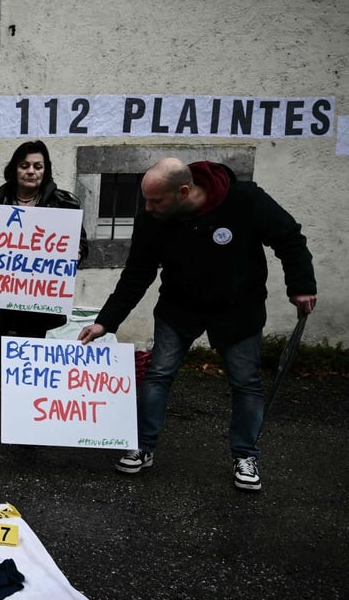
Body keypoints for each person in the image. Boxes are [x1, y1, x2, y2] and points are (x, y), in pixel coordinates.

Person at [77, 157, 317, 491]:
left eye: (155, 200)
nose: (147, 207)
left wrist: (302, 285)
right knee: (159, 374)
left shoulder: (245, 200)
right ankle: (143, 447)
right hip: (179, 309)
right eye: (145, 199)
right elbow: (137, 275)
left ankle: (245, 456)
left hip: (238, 310)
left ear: (184, 191)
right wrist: (105, 322)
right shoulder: (153, 218)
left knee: (246, 382)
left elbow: (289, 238)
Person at [0, 140, 89, 444]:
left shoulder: (64, 205)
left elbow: (82, 245)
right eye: (25, 165)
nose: (31, 172)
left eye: (37, 166)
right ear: (15, 168)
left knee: (30, 369)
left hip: (36, 304)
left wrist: (76, 252)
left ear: (45, 170)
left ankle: (27, 431)